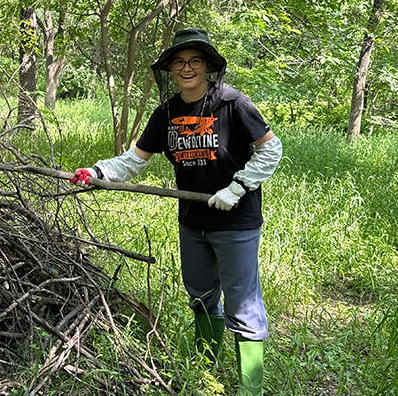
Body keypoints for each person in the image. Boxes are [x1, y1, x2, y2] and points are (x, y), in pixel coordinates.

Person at [71, 27, 282, 396]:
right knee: (201, 297)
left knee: (242, 302)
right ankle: (206, 374)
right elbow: (135, 160)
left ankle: (252, 388)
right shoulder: (166, 112)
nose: (187, 68)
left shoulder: (233, 104)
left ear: (207, 66)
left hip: (236, 221)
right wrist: (98, 172)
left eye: (194, 61)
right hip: (193, 221)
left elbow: (271, 149)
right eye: (179, 62)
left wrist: (237, 187)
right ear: (170, 69)